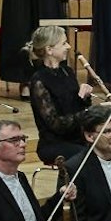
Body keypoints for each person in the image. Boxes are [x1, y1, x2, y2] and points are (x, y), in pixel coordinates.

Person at [23, 25, 93, 167]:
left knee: (107, 150)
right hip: (54, 143)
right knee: (91, 158)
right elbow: (56, 124)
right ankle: (68, 188)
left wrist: (84, 98)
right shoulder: (39, 80)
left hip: (76, 138)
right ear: (49, 50)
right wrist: (88, 114)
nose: (68, 46)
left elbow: (74, 108)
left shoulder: (67, 71)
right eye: (63, 43)